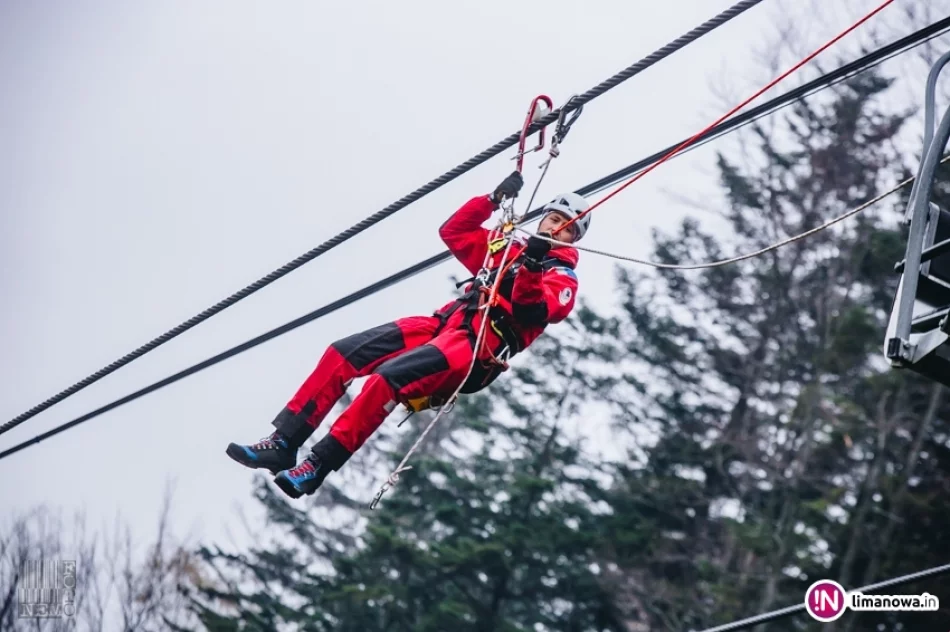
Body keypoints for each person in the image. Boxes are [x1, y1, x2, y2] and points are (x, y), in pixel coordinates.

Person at [225, 171, 592, 499]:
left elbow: (532, 312)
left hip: (476, 347)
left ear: (573, 238)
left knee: (388, 380)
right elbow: (455, 231)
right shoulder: (507, 250)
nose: (555, 227)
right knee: (343, 353)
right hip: (443, 324)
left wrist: (531, 265)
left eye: (566, 226)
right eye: (554, 218)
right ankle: (285, 440)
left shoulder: (561, 278)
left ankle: (317, 466)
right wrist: (491, 201)